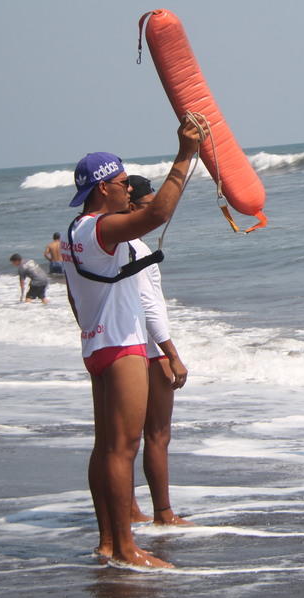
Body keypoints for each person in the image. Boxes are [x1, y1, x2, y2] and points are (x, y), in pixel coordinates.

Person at [61, 117, 204, 569]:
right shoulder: (100, 229)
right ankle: (126, 548)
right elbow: (158, 213)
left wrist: (93, 329)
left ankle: (108, 542)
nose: (127, 189)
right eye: (123, 182)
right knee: (123, 448)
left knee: (106, 447)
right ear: (104, 189)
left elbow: (72, 297)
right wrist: (184, 155)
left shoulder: (74, 234)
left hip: (96, 344)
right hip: (121, 346)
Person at [125, 175, 191, 527]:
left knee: (126, 438)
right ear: (132, 206)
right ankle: (164, 513)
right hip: (149, 351)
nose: (157, 212)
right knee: (157, 435)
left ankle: (132, 508)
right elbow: (149, 306)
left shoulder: (120, 245)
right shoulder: (135, 248)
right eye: (150, 206)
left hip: (126, 344)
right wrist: (171, 354)